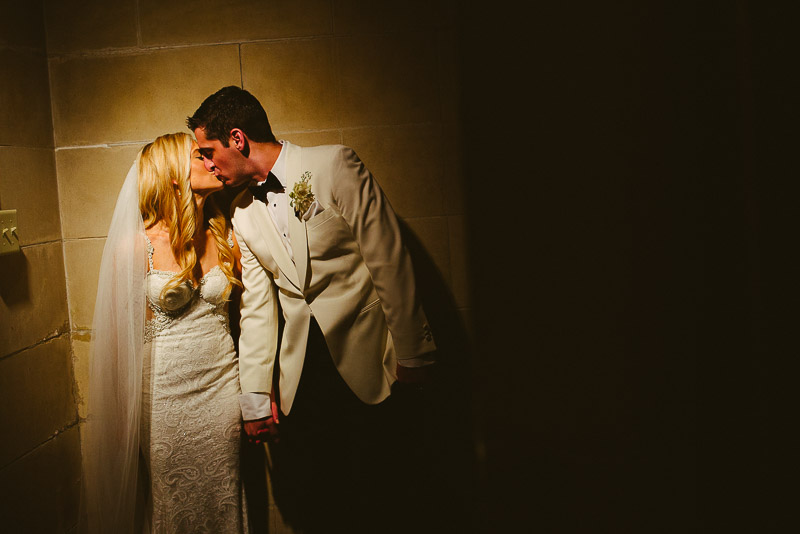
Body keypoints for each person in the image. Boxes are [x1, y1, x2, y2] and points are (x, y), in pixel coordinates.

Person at [187, 86, 437, 532]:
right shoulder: (242, 212)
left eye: (209, 152)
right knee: (321, 502)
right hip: (301, 377)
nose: (207, 165)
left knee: (388, 493)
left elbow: (388, 258)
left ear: (238, 139)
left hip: (372, 362)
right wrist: (256, 398)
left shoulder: (334, 164)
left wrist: (413, 353)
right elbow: (258, 309)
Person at [79, 132, 248, 533]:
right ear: (173, 175)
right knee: (173, 504)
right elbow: (119, 345)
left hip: (222, 391)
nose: (212, 162)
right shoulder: (136, 248)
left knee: (224, 498)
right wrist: (120, 427)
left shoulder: (225, 235)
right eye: (200, 157)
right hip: (164, 400)